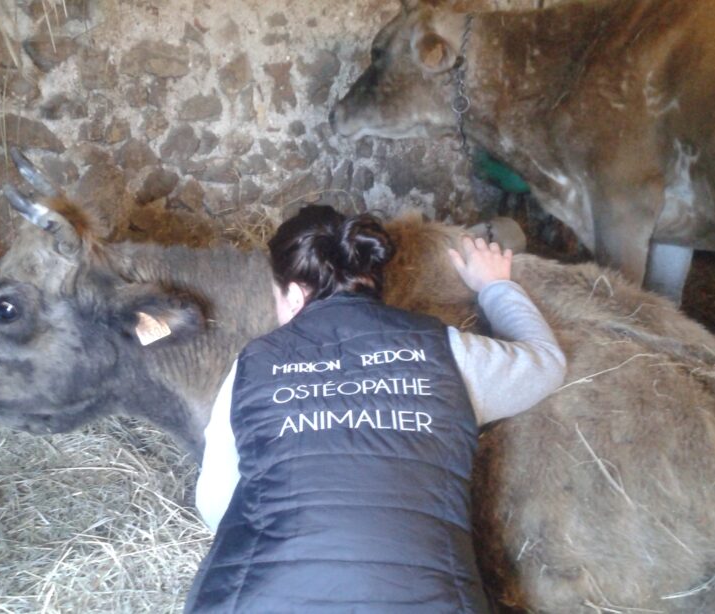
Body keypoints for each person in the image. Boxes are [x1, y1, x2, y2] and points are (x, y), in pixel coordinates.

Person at [186, 205, 566, 613]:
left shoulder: (253, 363)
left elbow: (215, 504)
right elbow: (546, 364)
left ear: (293, 294)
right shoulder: (445, 351)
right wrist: (495, 286)